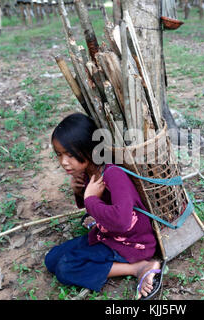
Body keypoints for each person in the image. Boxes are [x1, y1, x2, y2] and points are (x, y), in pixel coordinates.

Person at [44, 112, 163, 299]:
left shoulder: (112, 173)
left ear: (88, 149)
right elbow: (93, 207)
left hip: (131, 242)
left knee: (65, 268)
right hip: (106, 233)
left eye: (70, 154)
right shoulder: (87, 172)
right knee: (51, 259)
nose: (63, 162)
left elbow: (122, 220)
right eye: (59, 154)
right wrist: (79, 193)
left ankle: (137, 267)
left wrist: (90, 199)